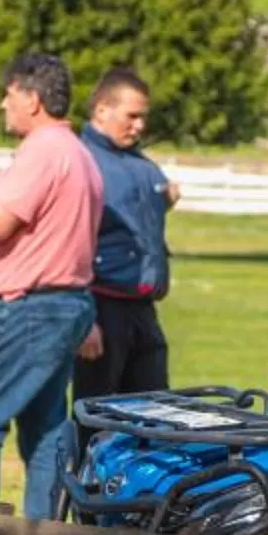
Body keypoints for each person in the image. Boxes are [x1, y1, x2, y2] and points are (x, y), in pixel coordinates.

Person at [0, 50, 103, 519]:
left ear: (32, 99)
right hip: (64, 304)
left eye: (8, 94)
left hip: (23, 308)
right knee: (45, 426)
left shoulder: (44, 152)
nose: (2, 105)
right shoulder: (79, 154)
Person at [76, 65, 178, 399]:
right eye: (132, 116)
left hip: (142, 307)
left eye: (143, 117)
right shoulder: (82, 163)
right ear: (102, 110)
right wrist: (84, 319)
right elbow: (72, 244)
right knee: (98, 413)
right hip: (101, 305)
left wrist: (164, 200)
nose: (140, 126)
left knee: (155, 409)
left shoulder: (142, 165)